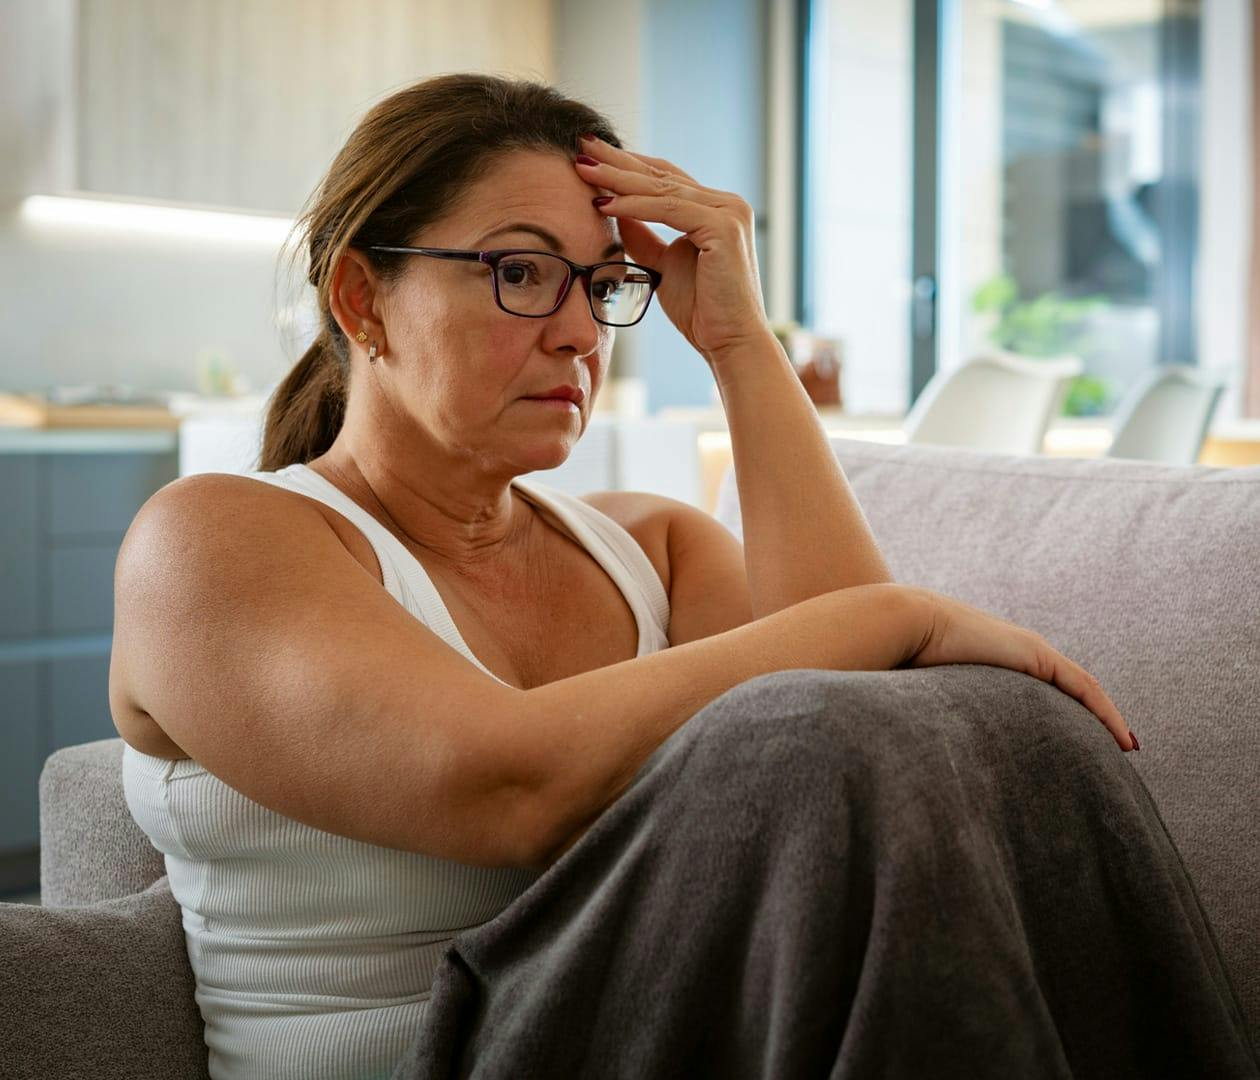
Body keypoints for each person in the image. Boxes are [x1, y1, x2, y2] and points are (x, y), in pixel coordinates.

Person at [109, 73, 1136, 1080]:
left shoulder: (652, 550)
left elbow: (865, 738)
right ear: (360, 299)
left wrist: (738, 341)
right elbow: (504, 788)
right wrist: (897, 615)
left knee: (969, 746)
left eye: (602, 284)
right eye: (521, 272)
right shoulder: (211, 541)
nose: (581, 333)